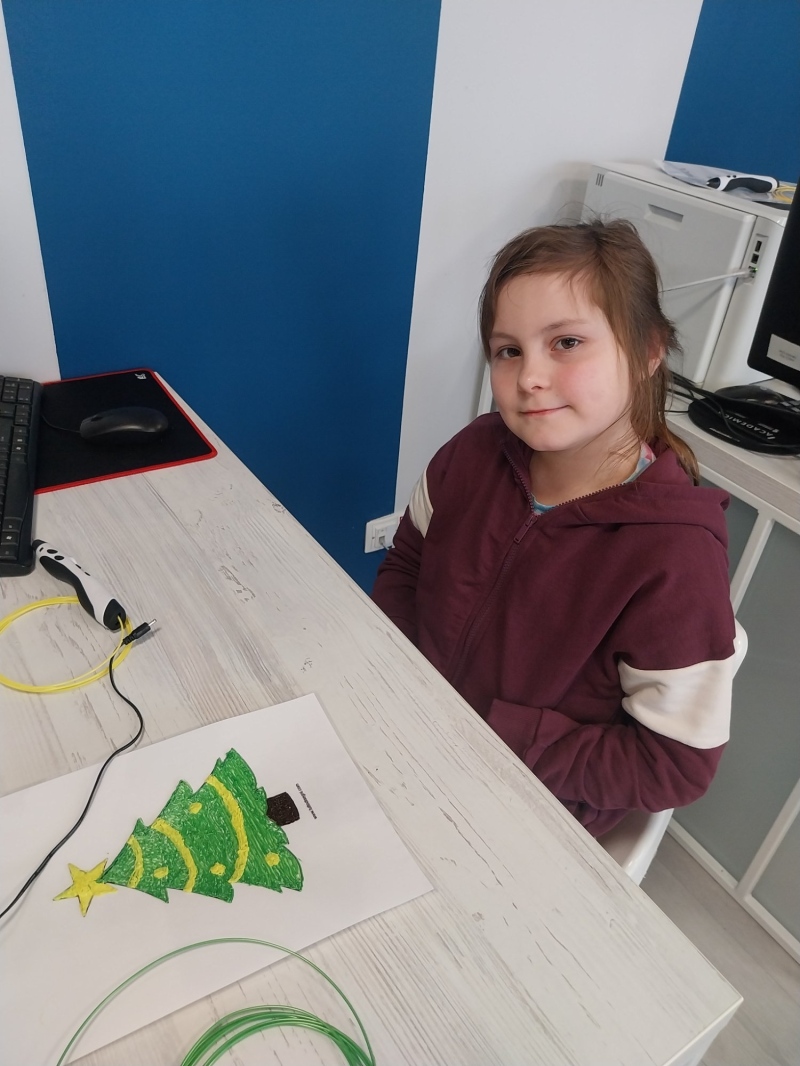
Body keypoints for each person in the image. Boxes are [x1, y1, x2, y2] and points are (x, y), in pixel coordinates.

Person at [372, 219, 736, 837]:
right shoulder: (470, 453)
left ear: (648, 352)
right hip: (412, 736)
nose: (529, 378)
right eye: (508, 351)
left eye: (566, 342)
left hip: (525, 810)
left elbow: (674, 765)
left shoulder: (675, 556)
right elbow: (407, 565)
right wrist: (404, 682)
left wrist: (503, 734)